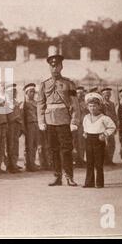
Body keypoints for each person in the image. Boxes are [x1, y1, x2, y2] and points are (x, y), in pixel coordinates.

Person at [37, 53, 80, 187]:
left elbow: (75, 104)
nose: (54, 69)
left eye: (57, 66)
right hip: (49, 121)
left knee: (66, 149)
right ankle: (57, 176)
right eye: (52, 66)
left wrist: (74, 121)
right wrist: (41, 120)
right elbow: (40, 103)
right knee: (53, 149)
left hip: (64, 120)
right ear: (49, 67)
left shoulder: (69, 84)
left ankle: (69, 176)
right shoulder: (44, 84)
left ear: (61, 67)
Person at [82, 92, 116, 188]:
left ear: (99, 106)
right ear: (88, 107)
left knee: (98, 163)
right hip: (88, 140)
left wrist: (104, 134)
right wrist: (85, 132)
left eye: (94, 106)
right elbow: (85, 126)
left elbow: (112, 127)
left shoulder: (104, 118)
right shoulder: (86, 117)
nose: (92, 108)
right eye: (90, 106)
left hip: (99, 141)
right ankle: (89, 182)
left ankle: (99, 183)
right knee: (89, 162)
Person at [5, 83, 25, 173]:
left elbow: (20, 115)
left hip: (16, 125)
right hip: (10, 126)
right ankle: (10, 165)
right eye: (11, 91)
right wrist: (15, 118)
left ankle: (14, 163)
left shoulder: (16, 102)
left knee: (16, 145)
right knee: (10, 145)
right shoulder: (6, 103)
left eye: (14, 91)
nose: (13, 93)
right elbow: (6, 116)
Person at [23, 83, 41, 172]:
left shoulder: (36, 102)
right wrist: (23, 128)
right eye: (30, 92)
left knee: (34, 145)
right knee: (29, 146)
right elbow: (22, 117)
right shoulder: (24, 103)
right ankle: (28, 164)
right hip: (29, 125)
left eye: (33, 92)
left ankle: (32, 163)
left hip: (36, 125)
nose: (32, 93)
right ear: (26, 93)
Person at [101, 87, 118, 165]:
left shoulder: (112, 104)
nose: (107, 96)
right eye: (105, 94)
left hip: (111, 126)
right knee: (105, 144)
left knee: (112, 143)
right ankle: (105, 160)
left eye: (109, 94)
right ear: (102, 95)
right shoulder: (101, 104)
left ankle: (110, 160)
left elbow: (114, 115)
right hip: (104, 126)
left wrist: (116, 126)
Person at [72, 86, 88, 168]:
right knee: (74, 143)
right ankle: (75, 160)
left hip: (83, 125)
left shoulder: (85, 103)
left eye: (81, 93)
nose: (80, 95)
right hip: (74, 125)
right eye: (78, 93)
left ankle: (81, 159)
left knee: (82, 143)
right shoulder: (72, 103)